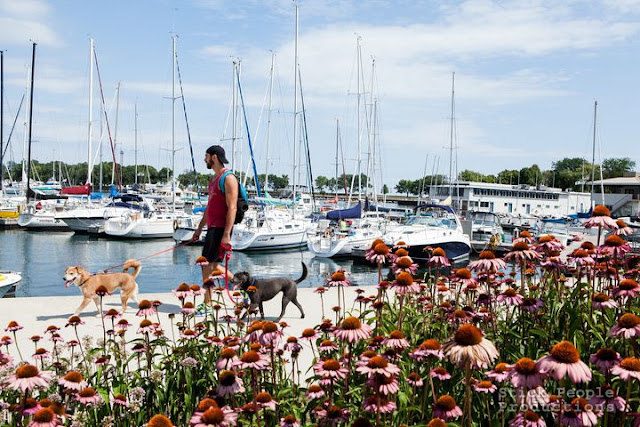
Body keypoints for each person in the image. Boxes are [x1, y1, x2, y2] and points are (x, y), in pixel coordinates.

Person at [193, 145, 238, 304]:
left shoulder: (228, 178)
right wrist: (199, 229)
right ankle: (240, 283)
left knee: (208, 266)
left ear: (214, 157)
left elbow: (232, 207)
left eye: (206, 156)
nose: (204, 159)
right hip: (212, 228)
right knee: (210, 265)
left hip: (221, 228)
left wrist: (226, 234)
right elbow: (209, 207)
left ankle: (207, 303)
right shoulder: (213, 180)